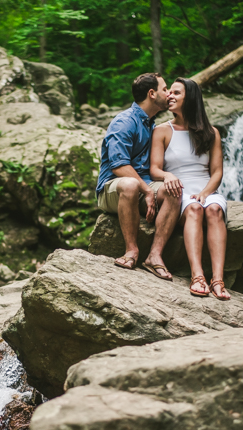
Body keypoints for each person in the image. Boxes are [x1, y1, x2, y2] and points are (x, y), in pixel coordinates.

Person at [149, 77, 230, 300]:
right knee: (194, 209)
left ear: (191, 98)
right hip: (180, 190)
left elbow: (217, 172)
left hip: (206, 188)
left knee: (213, 210)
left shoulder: (211, 132)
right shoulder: (162, 131)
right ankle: (197, 276)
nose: (170, 96)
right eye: (170, 92)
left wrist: (205, 193)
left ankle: (218, 280)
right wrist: (168, 175)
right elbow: (154, 169)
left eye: (177, 93)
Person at [96, 73, 181, 280]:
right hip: (113, 188)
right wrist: (147, 191)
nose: (168, 93)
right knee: (131, 184)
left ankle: (154, 256)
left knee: (174, 192)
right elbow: (119, 166)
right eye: (164, 89)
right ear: (152, 94)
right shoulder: (124, 122)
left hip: (143, 185)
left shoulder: (151, 124)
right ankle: (131, 251)